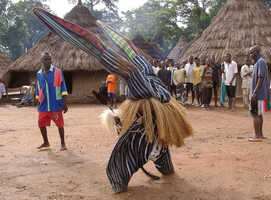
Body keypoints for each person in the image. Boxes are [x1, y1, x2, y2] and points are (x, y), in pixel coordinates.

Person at [33, 8, 193, 193]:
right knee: (152, 143)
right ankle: (147, 169)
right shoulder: (140, 74)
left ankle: (150, 169)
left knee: (154, 144)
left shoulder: (142, 73)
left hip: (153, 115)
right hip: (148, 116)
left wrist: (102, 34)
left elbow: (117, 50)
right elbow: (117, 50)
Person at [36, 52, 68, 151]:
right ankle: (46, 142)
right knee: (41, 123)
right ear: (42, 61)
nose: (48, 61)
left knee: (60, 124)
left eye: (49, 59)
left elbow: (63, 86)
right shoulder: (39, 74)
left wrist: (64, 103)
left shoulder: (57, 72)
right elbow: (38, 88)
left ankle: (63, 143)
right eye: (46, 59)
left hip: (55, 104)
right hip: (44, 104)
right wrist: (38, 99)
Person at [249, 45, 269, 142]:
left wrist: (254, 92)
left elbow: (261, 78)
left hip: (258, 93)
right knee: (259, 114)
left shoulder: (260, 62)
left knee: (255, 114)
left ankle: (256, 136)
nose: (250, 55)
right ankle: (260, 134)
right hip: (259, 93)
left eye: (251, 52)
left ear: (256, 52)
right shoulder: (258, 62)